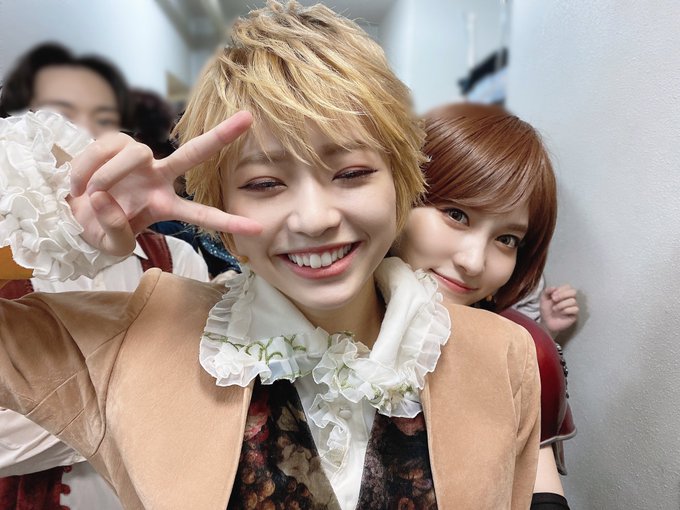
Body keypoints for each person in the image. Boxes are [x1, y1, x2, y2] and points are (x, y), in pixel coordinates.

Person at [0, 2, 541, 508]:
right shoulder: (126, 345)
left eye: (352, 173)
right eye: (264, 183)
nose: (314, 218)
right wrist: (54, 228)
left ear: (401, 185)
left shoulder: (504, 355)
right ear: (219, 210)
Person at [0, 43, 210, 510]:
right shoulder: (6, 270)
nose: (84, 137)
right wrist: (138, 409)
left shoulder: (176, 259)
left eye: (102, 118)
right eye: (59, 114)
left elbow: (200, 404)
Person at [392, 102, 578, 509]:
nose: (473, 262)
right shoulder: (321, 314)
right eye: (456, 214)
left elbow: (540, 488)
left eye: (506, 239)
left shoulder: (521, 351)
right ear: (400, 193)